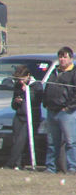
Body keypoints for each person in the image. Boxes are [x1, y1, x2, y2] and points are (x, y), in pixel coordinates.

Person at [43, 46, 76, 174]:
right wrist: (46, 103)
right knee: (52, 142)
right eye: (60, 57)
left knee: (70, 142)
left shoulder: (73, 73)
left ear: (70, 58)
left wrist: (68, 107)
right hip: (52, 111)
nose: (62, 59)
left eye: (64, 57)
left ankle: (72, 167)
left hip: (67, 113)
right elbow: (47, 88)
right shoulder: (54, 72)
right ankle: (50, 167)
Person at [4, 65, 43, 170]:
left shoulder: (37, 86)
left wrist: (27, 92)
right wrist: (16, 101)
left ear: (28, 76)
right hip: (19, 116)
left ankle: (10, 163)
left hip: (30, 118)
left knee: (22, 141)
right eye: (18, 80)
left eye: (22, 79)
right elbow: (13, 105)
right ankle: (17, 164)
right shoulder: (18, 86)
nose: (20, 82)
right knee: (16, 140)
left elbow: (36, 101)